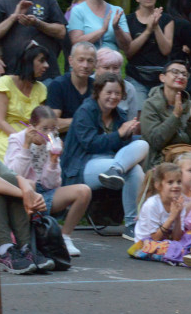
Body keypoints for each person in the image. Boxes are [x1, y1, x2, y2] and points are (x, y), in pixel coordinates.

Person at [61, 72, 149, 241]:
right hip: (82, 166)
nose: (113, 97)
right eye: (108, 92)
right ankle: (131, 222)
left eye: (117, 93)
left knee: (141, 148)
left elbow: (124, 150)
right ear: (98, 92)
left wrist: (126, 136)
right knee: (132, 168)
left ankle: (131, 225)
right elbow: (90, 144)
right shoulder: (85, 111)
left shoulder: (120, 116)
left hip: (112, 164)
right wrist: (119, 134)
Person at [4, 105, 92, 257]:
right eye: (44, 129)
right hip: (22, 194)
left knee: (84, 191)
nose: (49, 133)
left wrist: (53, 161)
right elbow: (13, 175)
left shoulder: (53, 144)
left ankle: (65, 237)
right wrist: (26, 147)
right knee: (30, 185)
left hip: (44, 192)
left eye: (53, 129)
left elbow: (52, 184)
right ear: (32, 127)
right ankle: (24, 242)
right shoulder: (17, 140)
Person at [139, 59, 191, 169]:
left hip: (188, 160)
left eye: (184, 74)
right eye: (175, 72)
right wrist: (175, 116)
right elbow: (155, 142)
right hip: (159, 162)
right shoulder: (150, 105)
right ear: (162, 77)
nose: (180, 76)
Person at [0, 43, 49, 159]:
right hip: (4, 136)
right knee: (16, 155)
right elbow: (0, 121)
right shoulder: (5, 82)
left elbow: (40, 123)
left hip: (31, 137)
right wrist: (22, 139)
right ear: (28, 61)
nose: (46, 65)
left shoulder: (41, 88)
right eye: (41, 61)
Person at [0, 154, 50, 274]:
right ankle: (4, 250)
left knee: (11, 180)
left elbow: (15, 177)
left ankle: (26, 247)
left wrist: (29, 193)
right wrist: (26, 195)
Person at [121, 0, 175, 95]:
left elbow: (166, 50)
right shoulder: (128, 20)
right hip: (136, 76)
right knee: (138, 111)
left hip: (160, 76)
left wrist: (156, 27)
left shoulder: (167, 19)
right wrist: (148, 30)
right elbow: (128, 52)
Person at [46, 41, 97, 133]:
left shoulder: (96, 87)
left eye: (90, 61)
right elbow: (52, 124)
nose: (85, 65)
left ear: (95, 64)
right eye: (81, 60)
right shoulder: (58, 85)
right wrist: (85, 121)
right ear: (71, 61)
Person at [95, 48, 142, 120]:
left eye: (115, 68)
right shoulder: (89, 83)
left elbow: (132, 119)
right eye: (106, 68)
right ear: (96, 68)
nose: (111, 72)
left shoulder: (128, 88)